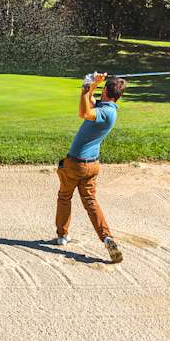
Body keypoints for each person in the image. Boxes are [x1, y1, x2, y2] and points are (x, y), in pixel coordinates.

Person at [54, 72, 126, 263]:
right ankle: (107, 238)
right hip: (92, 165)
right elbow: (89, 101)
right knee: (90, 203)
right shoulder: (108, 109)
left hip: (76, 164)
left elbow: (83, 112)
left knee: (64, 197)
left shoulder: (104, 113)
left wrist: (89, 86)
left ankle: (62, 234)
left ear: (106, 92)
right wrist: (91, 85)